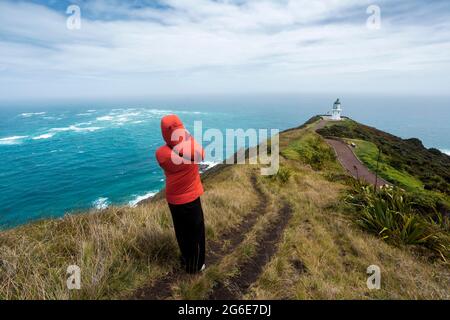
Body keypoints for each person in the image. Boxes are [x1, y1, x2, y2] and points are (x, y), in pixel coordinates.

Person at [155, 114, 206, 274]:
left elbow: (170, 147)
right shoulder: (192, 151)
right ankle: (196, 266)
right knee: (196, 233)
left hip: (173, 199)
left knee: (182, 232)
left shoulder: (162, 154)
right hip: (191, 198)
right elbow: (200, 152)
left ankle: (186, 258)